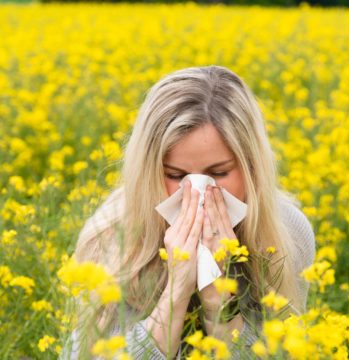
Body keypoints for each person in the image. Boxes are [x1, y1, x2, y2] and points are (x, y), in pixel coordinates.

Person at [60, 65, 315, 359]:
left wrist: (219, 301)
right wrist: (175, 294)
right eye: (175, 175)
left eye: (218, 173)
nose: (196, 193)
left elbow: (284, 353)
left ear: (251, 168)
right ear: (149, 172)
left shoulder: (287, 233)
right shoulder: (111, 236)